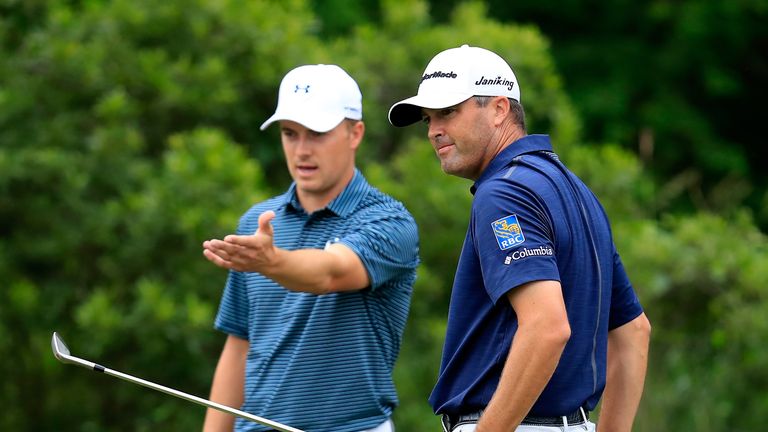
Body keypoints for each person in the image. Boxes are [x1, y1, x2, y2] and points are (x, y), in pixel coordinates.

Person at [388, 45, 651, 432]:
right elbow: (633, 332)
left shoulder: (503, 193)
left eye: (448, 112)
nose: (433, 131)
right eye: (428, 119)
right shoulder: (576, 191)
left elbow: (547, 327)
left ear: (498, 109)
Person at [202, 63, 420, 432]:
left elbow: (330, 272)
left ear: (355, 133)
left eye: (317, 133)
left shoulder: (390, 222)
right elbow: (238, 346)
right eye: (290, 133)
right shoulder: (259, 223)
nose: (301, 150)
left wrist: (271, 262)